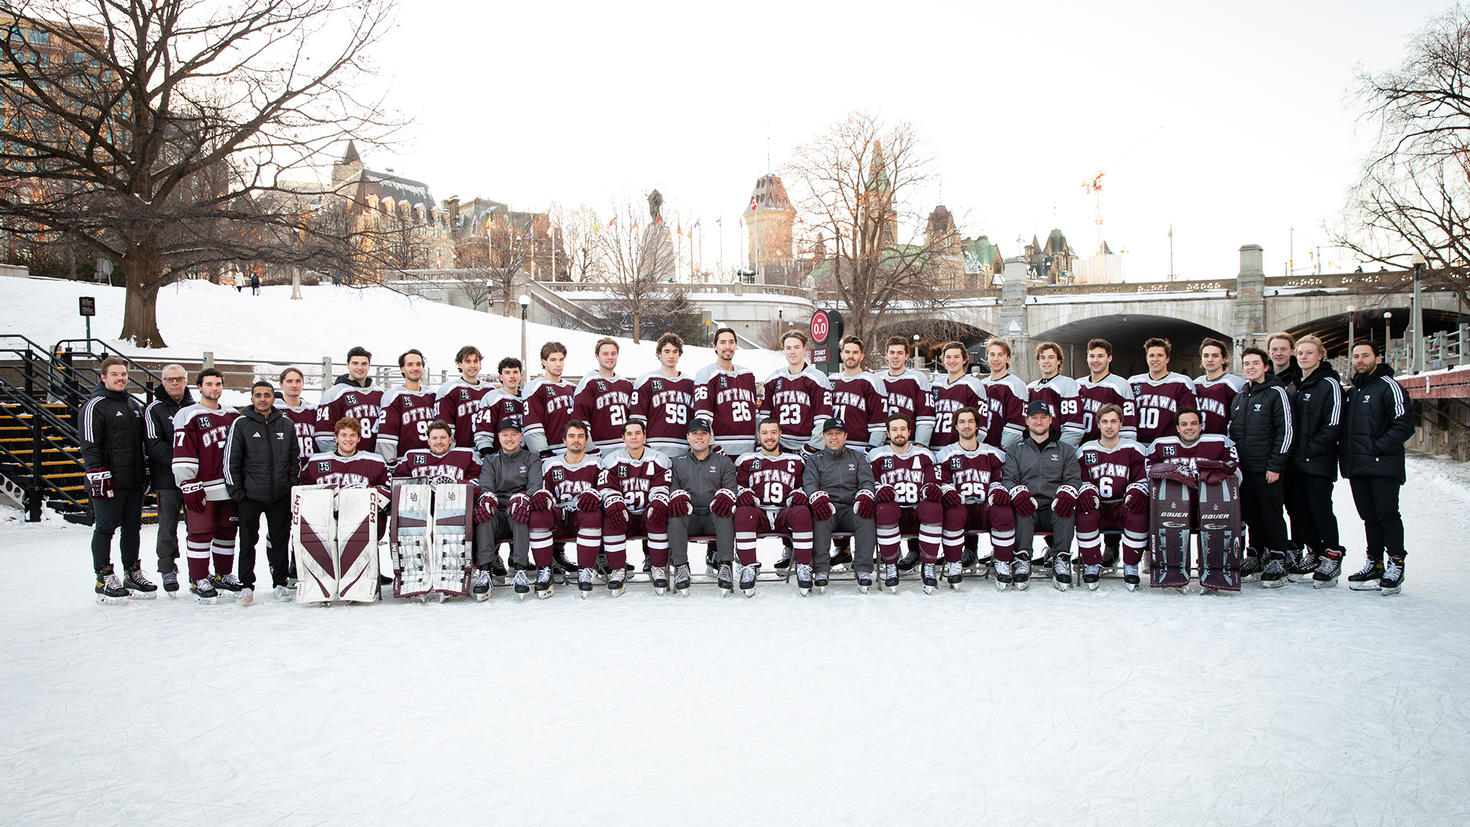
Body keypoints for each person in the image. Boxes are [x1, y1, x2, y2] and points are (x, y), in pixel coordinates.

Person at [1339, 340, 1414, 595]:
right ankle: (1375, 561)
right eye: (1356, 356)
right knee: (1369, 517)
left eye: (1365, 355)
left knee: (1387, 514)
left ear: (1377, 358)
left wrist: (1377, 448)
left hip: (1383, 465)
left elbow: (1404, 424)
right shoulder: (1354, 392)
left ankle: (1396, 562)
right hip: (1359, 466)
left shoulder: (1389, 387)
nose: (1359, 360)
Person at [80, 356, 152, 602]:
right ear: (103, 377)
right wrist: (97, 473)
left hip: (132, 479)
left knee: (132, 528)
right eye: (115, 374)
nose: (121, 378)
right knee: (105, 527)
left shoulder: (132, 404)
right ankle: (103, 576)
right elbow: (90, 444)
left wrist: (145, 472)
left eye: (123, 374)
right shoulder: (95, 406)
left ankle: (132, 572)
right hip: (108, 480)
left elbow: (140, 443)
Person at [1146, 408, 1242, 591]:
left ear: (1200, 426)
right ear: (1177, 428)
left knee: (1218, 515)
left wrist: (1219, 471)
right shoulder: (1160, 445)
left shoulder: (1220, 442)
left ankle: (1217, 571)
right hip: (1176, 503)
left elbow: (1236, 473)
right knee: (1169, 514)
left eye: (1193, 423)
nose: (1189, 428)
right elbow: (1148, 471)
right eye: (1184, 424)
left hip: (1209, 502)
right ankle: (1171, 570)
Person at [224, 380, 300, 604]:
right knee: (247, 542)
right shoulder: (241, 424)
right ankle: (246, 585)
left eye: (267, 395)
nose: (262, 399)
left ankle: (280, 582)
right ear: (252, 398)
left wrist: (290, 484)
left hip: (279, 494)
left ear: (273, 398)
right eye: (258, 395)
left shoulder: (286, 424)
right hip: (250, 495)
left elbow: (294, 458)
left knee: (280, 541)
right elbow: (231, 460)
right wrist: (237, 491)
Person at [997, 400, 1084, 591]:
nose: (1039, 421)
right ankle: (1022, 559)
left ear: (1050, 420)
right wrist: (1018, 492)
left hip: (1053, 505)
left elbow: (1074, 479)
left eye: (1043, 417)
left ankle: (1061, 558)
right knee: (1022, 509)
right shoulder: (1016, 450)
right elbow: (1008, 478)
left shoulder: (1065, 450)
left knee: (1065, 510)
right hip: (1029, 504)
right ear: (1027, 421)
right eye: (1034, 418)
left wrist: (1066, 493)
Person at [172, 368, 241, 603]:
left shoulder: (232, 415)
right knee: (200, 534)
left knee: (227, 532)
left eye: (218, 384)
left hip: (228, 486)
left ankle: (223, 574)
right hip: (202, 485)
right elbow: (183, 450)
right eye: (209, 384)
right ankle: (198, 578)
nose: (214, 388)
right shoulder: (187, 414)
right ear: (199, 387)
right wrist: (188, 481)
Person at [1227, 346, 1293, 587]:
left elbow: (1286, 431)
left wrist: (1276, 464)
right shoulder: (1241, 396)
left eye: (1255, 363)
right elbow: (1233, 432)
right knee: (1252, 515)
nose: (1250, 367)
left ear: (1266, 366)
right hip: (1245, 470)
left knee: (1272, 514)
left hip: (1267, 468)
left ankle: (1277, 556)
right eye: (1246, 364)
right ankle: (1255, 554)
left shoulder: (1276, 392)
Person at [867, 414, 954, 593]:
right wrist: (879, 489)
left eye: (903, 429)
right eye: (894, 429)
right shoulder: (876, 455)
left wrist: (929, 490)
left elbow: (932, 482)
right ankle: (891, 564)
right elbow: (869, 482)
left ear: (909, 431)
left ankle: (928, 564)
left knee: (933, 506)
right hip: (892, 512)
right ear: (888, 433)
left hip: (917, 511)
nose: (899, 433)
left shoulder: (924, 454)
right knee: (884, 508)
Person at [1284, 335, 1345, 585]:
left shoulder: (1329, 384)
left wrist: (1309, 450)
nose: (1304, 357)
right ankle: (1315, 552)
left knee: (1320, 510)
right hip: (1294, 463)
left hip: (1317, 462)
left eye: (1309, 353)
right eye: (1300, 353)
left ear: (1320, 356)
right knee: (1300, 513)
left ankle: (1332, 554)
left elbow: (1334, 424)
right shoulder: (1295, 385)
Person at [733, 418, 814, 596]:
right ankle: (748, 566)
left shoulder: (795, 460)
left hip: (784, 514)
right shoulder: (746, 459)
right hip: (758, 513)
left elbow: (804, 486)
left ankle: (803, 566)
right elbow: (736, 485)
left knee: (802, 511)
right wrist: (743, 492)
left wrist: (799, 493)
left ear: (780, 434)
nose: (769, 437)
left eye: (773, 432)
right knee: (743, 512)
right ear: (758, 436)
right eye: (764, 433)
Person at [526, 420, 606, 598]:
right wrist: (543, 498)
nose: (576, 440)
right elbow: (545, 492)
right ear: (564, 440)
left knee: (592, 513)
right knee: (538, 515)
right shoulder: (551, 464)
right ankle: (544, 571)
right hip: (559, 517)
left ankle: (585, 570)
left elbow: (604, 490)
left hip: (582, 518)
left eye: (580, 436)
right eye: (571, 436)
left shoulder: (597, 463)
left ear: (586, 440)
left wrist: (594, 494)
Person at [1073, 404, 1149, 590]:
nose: (1109, 426)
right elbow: (1080, 480)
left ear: (1121, 424)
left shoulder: (1134, 449)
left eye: (1113, 421)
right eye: (1105, 421)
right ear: (1098, 424)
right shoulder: (1085, 450)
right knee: (1085, 512)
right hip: (1098, 505)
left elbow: (1142, 478)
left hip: (1123, 504)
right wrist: (1087, 490)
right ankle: (1091, 564)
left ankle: (1131, 565)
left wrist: (1136, 491)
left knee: (1138, 512)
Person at [934, 407, 1012, 585]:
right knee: (953, 511)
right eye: (962, 422)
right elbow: (942, 481)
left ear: (977, 426)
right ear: (955, 426)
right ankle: (954, 562)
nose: (966, 426)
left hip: (984, 507)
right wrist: (948, 491)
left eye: (970, 421)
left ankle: (1002, 561)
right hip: (960, 507)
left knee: (1003, 510)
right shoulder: (945, 453)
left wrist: (996, 490)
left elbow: (999, 478)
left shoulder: (992, 453)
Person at [802, 418, 880, 592]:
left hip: (851, 507)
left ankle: (863, 569)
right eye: (829, 434)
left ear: (845, 436)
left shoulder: (858, 457)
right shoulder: (815, 459)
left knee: (866, 516)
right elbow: (809, 483)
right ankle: (821, 569)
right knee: (819, 517)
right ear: (823, 436)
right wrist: (817, 496)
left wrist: (865, 496)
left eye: (838, 433)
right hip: (828, 507)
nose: (834, 438)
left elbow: (867, 481)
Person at [596, 420, 672, 595]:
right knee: (612, 517)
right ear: (623, 437)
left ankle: (658, 567)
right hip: (624, 513)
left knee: (658, 515)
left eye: (638, 433)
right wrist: (614, 501)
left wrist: (658, 500)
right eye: (629, 434)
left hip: (647, 512)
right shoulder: (612, 460)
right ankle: (617, 570)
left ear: (645, 436)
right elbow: (607, 486)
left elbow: (662, 486)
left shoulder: (659, 459)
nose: (634, 437)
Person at [665, 418, 739, 594]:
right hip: (689, 516)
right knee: (675, 516)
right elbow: (672, 488)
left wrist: (725, 496)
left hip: (712, 516)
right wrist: (679, 498)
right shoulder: (676, 462)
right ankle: (681, 567)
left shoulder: (724, 462)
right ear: (688, 437)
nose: (699, 437)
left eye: (704, 433)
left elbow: (731, 488)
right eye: (695, 434)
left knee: (725, 513)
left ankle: (725, 566)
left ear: (710, 437)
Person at [474, 418, 542, 599]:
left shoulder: (531, 459)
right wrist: (487, 498)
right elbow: (486, 487)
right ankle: (485, 570)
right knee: (484, 515)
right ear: (499, 437)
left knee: (520, 514)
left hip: (518, 506)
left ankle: (521, 569)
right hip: (498, 509)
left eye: (513, 435)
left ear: (521, 437)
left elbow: (535, 485)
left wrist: (523, 498)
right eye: (505, 435)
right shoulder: (491, 460)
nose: (509, 439)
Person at [143, 362, 192, 593]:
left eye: (179, 379)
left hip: (193, 478)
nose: (175, 383)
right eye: (170, 379)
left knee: (197, 526)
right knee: (167, 526)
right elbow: (154, 444)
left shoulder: (195, 407)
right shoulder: (155, 409)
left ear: (185, 381)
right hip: (166, 478)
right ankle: (167, 569)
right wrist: (181, 460)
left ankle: (199, 570)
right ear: (163, 382)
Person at [759, 329, 830, 453]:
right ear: (784, 350)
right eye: (788, 348)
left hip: (807, 446)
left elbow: (823, 419)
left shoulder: (818, 379)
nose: (792, 352)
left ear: (804, 350)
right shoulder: (773, 379)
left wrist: (812, 447)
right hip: (778, 447)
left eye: (796, 347)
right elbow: (765, 418)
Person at [692, 326, 760, 457]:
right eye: (722, 342)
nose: (727, 346)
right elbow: (703, 417)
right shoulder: (706, 373)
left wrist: (759, 443)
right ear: (715, 346)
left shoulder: (747, 374)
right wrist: (713, 446)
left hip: (748, 449)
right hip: (722, 448)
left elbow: (755, 414)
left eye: (731, 342)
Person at [630, 332, 696, 457]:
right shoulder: (646, 380)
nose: (671, 355)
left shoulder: (691, 383)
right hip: (654, 448)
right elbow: (637, 419)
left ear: (679, 354)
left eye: (675, 351)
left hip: (684, 448)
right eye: (667, 351)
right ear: (659, 354)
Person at [1129, 337, 1197, 448]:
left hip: (1168, 444)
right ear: (1146, 358)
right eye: (1151, 355)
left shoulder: (1181, 383)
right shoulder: (1133, 382)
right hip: (1138, 445)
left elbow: (1189, 417)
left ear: (1167, 359)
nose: (1155, 359)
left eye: (1160, 355)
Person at [315, 345, 382, 452]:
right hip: (347, 461)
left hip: (374, 460)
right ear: (347, 365)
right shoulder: (334, 394)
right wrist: (339, 460)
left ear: (369, 366)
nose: (360, 367)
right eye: (355, 363)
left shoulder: (380, 393)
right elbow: (323, 436)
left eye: (364, 364)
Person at [826, 335, 888, 451]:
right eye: (847, 352)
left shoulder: (872, 381)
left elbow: (879, 422)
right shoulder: (831, 380)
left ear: (862, 356)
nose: (850, 356)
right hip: (832, 447)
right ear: (841, 355)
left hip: (859, 447)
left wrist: (871, 450)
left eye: (855, 352)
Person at [572, 337, 633, 454]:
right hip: (600, 450)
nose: (610, 357)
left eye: (613, 353)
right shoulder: (589, 382)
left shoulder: (626, 384)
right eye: (605, 354)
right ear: (597, 356)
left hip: (625, 450)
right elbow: (580, 421)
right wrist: (591, 449)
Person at [377, 349, 438, 465]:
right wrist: (390, 465)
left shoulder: (433, 394)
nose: (415, 368)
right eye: (410, 364)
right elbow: (387, 437)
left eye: (418, 364)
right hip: (406, 463)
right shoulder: (393, 396)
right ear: (402, 368)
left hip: (432, 460)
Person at [436, 345, 503, 451]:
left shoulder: (490, 390)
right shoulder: (449, 390)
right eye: (468, 361)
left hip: (488, 451)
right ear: (459, 364)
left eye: (475, 361)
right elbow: (445, 428)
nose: (472, 365)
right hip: (461, 451)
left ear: (480, 364)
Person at [929, 341, 990, 453]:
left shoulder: (973, 385)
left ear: (964, 360)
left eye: (956, 357)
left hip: (960, 451)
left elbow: (981, 425)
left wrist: (969, 449)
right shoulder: (935, 385)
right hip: (934, 449)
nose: (952, 361)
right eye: (948, 357)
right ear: (943, 360)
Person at [1076, 337, 1139, 444]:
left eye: (1100, 356)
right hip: (1081, 448)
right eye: (1092, 356)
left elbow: (1128, 427)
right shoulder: (1077, 384)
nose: (1095, 360)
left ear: (1109, 358)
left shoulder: (1120, 385)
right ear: (1087, 358)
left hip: (1107, 449)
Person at [878, 336, 934, 447]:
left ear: (906, 356)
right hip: (883, 444)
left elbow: (925, 416)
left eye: (899, 353)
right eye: (892, 352)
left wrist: (920, 445)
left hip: (909, 444)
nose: (895, 356)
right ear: (886, 355)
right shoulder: (877, 380)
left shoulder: (917, 379)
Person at [1027, 341, 1085, 450]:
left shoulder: (1067, 384)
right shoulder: (1030, 387)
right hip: (1034, 449)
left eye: (1051, 357)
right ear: (1038, 362)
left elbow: (1073, 426)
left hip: (1057, 449)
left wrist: (1061, 452)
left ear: (1059, 361)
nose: (1046, 361)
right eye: (1042, 357)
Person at [522, 341, 576, 456]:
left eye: (561, 359)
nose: (558, 364)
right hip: (551, 452)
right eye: (553, 360)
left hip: (574, 452)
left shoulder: (573, 388)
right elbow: (532, 426)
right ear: (544, 361)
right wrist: (542, 452)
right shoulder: (535, 387)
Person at [393, 420, 480, 485]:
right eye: (434, 438)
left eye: (443, 437)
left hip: (454, 503)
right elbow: (398, 483)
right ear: (428, 441)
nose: (439, 442)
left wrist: (457, 484)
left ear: (450, 440)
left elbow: (478, 484)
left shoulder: (466, 455)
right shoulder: (411, 457)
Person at [979, 339, 1028, 449]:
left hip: (1000, 451)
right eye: (992, 354)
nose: (995, 359)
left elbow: (1016, 424)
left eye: (1000, 355)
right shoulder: (982, 384)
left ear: (1008, 358)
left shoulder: (1015, 384)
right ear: (987, 357)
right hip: (981, 450)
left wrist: (1002, 451)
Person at [1193, 338, 1246, 436]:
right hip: (1199, 443)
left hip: (1224, 443)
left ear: (1224, 359)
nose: (1210, 359)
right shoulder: (1194, 384)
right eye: (1206, 355)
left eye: (1215, 356)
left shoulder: (1235, 384)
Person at [473, 358, 525, 456]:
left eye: (515, 372)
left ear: (521, 375)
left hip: (524, 456)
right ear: (500, 377)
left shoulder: (527, 397)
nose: (512, 376)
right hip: (500, 455)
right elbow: (483, 433)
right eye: (507, 373)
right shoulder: (492, 398)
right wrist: (491, 457)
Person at [275, 367, 317, 467]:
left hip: (309, 466)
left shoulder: (313, 409)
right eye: (289, 381)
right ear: (281, 384)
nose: (294, 385)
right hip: (284, 468)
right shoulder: (274, 410)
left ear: (303, 383)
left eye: (298, 381)